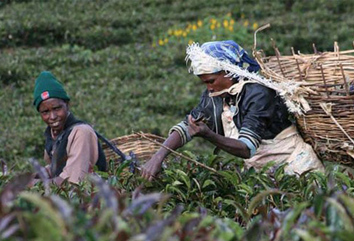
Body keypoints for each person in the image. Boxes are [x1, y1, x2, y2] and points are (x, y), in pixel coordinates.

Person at [141, 40, 323, 181]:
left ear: (229, 72)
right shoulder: (216, 96)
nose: (209, 88)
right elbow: (187, 126)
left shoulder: (258, 94)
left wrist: (207, 135)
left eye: (211, 81)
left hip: (297, 167)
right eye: (204, 83)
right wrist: (158, 158)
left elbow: (246, 148)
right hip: (263, 173)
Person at [32, 71, 106, 185]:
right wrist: (41, 173)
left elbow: (72, 182)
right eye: (45, 112)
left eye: (57, 108)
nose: (52, 117)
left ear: (67, 104)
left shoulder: (81, 133)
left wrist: (32, 184)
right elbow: (60, 167)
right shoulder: (52, 135)